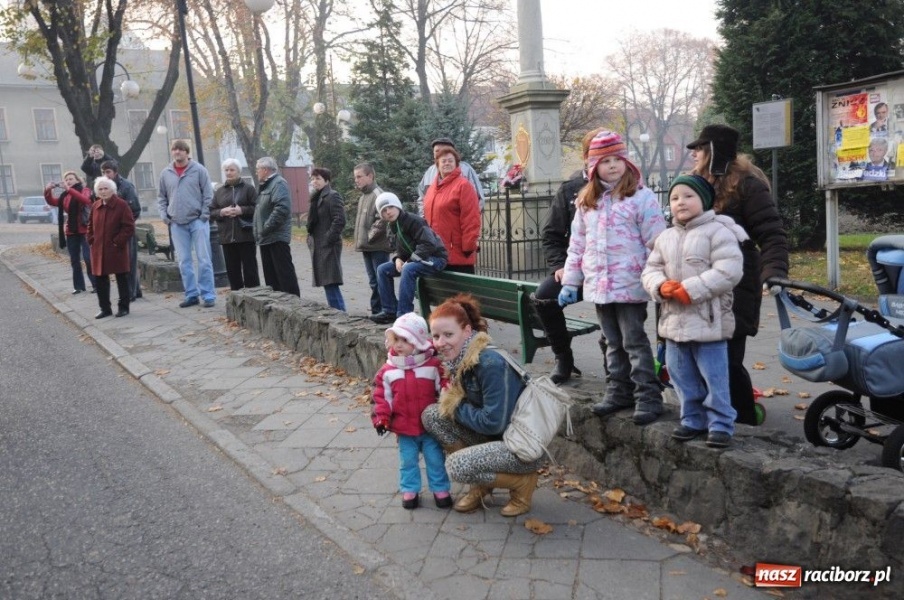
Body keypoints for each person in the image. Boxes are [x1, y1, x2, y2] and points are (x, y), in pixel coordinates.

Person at [559, 130, 667, 425]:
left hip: (631, 283)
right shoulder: (586, 201)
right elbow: (577, 244)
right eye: (605, 161)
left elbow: (657, 241)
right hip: (600, 285)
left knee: (634, 340)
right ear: (594, 167)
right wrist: (571, 280)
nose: (612, 166)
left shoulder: (640, 198)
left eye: (616, 159)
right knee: (611, 341)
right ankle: (619, 389)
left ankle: (648, 395)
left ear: (626, 162)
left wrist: (662, 277)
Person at [687, 124, 789, 426]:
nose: (694, 153)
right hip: (701, 284)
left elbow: (771, 234)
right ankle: (715, 415)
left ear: (714, 152)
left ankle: (744, 417)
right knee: (700, 356)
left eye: (700, 147)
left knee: (727, 359)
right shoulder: (695, 186)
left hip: (738, 284)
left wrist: (774, 273)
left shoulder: (747, 186)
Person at [642, 175, 747, 448]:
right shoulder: (665, 238)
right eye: (675, 198)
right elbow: (650, 270)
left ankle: (721, 423)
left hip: (708, 321)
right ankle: (692, 418)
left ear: (704, 200)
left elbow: (729, 270)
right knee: (680, 374)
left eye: (688, 196)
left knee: (714, 376)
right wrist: (660, 285)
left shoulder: (718, 232)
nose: (681, 202)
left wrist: (692, 289)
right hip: (674, 321)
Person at [420, 293, 541, 517]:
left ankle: (522, 482)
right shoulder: (461, 358)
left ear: (467, 331)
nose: (440, 343)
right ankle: (481, 483)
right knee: (432, 414)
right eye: (436, 336)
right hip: (495, 440)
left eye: (448, 334)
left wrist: (455, 405)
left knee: (457, 466)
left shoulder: (489, 363)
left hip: (519, 448)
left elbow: (493, 424)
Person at [533, 127, 605, 384]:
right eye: (596, 154)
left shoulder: (625, 186)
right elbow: (551, 234)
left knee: (613, 311)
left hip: (611, 269)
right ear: (586, 157)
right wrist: (560, 265)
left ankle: (614, 368)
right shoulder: (571, 189)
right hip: (577, 267)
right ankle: (563, 357)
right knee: (544, 297)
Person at [371, 312, 452, 510]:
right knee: (407, 462)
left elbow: (443, 388)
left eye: (405, 340)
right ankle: (410, 490)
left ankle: (440, 489)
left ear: (417, 342)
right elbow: (381, 397)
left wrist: (448, 395)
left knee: (435, 460)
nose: (398, 344)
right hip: (404, 428)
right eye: (396, 339)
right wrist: (381, 418)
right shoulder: (388, 371)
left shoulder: (433, 366)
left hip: (429, 428)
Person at [370, 192, 448, 325]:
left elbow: (428, 244)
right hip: (417, 260)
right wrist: (398, 259)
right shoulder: (392, 226)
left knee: (408, 269)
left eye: (390, 207)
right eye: (384, 210)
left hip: (435, 258)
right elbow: (402, 249)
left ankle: (404, 315)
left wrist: (409, 261)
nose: (388, 212)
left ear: (397, 206)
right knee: (382, 269)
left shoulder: (414, 221)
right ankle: (390, 311)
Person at [157, 139, 216, 308]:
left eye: (180, 149)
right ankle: (191, 294)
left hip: (197, 221)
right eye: (174, 149)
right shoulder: (166, 173)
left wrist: (204, 215)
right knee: (184, 260)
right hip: (176, 223)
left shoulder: (198, 170)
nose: (177, 152)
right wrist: (164, 215)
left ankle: (208, 294)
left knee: (204, 259)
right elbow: (161, 197)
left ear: (186, 152)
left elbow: (208, 195)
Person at [422, 146, 481, 274]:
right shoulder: (432, 189)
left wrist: (468, 247)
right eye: (443, 161)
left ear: (456, 164)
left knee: (460, 294)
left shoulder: (464, 186)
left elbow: (471, 218)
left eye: (450, 160)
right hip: (436, 252)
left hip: (457, 254)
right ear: (437, 164)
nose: (447, 163)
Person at [88, 176, 135, 319]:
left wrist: (117, 242)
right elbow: (90, 225)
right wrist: (91, 239)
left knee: (121, 277)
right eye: (100, 189)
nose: (103, 191)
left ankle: (124, 307)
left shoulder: (122, 205)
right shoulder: (95, 206)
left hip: (116, 249)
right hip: (98, 249)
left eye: (105, 188)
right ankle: (105, 308)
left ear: (112, 190)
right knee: (100, 279)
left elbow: (128, 227)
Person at [211, 158, 260, 290]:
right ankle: (237, 299)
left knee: (250, 270)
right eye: (226, 170)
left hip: (245, 235)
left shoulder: (249, 189)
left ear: (238, 171)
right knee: (232, 272)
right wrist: (222, 211)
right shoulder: (219, 191)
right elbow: (210, 211)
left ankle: (255, 297)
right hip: (227, 237)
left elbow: (257, 208)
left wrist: (241, 210)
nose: (229, 172)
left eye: (232, 170)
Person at [254, 157, 300, 297]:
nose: (257, 172)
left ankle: (294, 303)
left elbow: (282, 209)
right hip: (267, 237)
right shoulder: (268, 184)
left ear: (266, 170)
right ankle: (278, 305)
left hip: (276, 236)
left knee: (284, 275)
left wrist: (265, 228)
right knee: (271, 277)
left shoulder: (278, 183)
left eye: (258, 169)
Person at [44, 171, 95, 294]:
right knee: (74, 260)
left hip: (84, 230)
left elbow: (85, 200)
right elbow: (52, 202)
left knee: (88, 258)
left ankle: (96, 285)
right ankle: (78, 286)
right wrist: (47, 190)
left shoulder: (85, 190)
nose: (68, 181)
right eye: (66, 180)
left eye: (71, 179)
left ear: (78, 180)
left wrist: (69, 189)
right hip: (71, 231)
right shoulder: (65, 196)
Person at [352, 163, 391, 315]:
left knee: (380, 280)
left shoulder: (378, 194)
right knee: (373, 281)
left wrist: (369, 236)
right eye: (355, 177)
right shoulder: (363, 196)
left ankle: (385, 310)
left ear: (370, 176)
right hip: (367, 246)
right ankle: (378, 311)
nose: (356, 180)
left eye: (359, 176)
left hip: (377, 246)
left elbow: (385, 218)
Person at [101, 161, 142, 301]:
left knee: (129, 261)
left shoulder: (126, 187)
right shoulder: (103, 188)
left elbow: (135, 209)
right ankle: (135, 290)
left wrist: (126, 224)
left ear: (115, 172)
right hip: (112, 232)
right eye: (103, 172)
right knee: (123, 262)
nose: (105, 175)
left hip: (125, 230)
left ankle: (131, 293)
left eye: (108, 172)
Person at [307, 167, 346, 311]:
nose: (314, 182)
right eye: (312, 178)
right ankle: (336, 312)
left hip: (329, 245)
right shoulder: (316, 196)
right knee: (327, 282)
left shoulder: (332, 196)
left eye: (318, 178)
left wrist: (328, 239)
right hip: (319, 245)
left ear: (326, 180)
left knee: (331, 281)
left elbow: (340, 220)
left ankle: (340, 313)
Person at [417, 138, 485, 215]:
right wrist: (424, 218)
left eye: (441, 150)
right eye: (436, 151)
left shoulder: (465, 170)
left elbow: (478, 198)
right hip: (432, 224)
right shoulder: (430, 172)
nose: (438, 153)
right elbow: (422, 197)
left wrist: (473, 216)